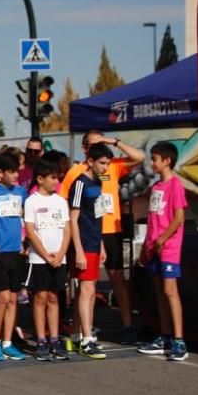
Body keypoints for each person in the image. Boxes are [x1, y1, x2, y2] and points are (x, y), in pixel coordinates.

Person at [59, 132, 145, 343]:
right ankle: (82, 330)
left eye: (101, 143)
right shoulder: (77, 173)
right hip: (87, 231)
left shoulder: (110, 165)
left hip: (110, 230)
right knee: (85, 283)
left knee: (117, 279)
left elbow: (140, 157)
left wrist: (113, 141)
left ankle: (127, 326)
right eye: (94, 144)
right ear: (85, 150)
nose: (100, 147)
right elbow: (66, 204)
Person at [137, 142, 189, 361]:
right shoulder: (155, 188)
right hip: (153, 246)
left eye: (155, 158)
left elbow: (179, 218)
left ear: (167, 161)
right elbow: (152, 219)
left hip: (168, 247)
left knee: (170, 291)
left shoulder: (175, 185)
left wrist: (162, 240)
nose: (152, 162)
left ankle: (179, 340)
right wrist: (146, 246)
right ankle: (164, 336)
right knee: (159, 291)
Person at [67, 142, 113, 359]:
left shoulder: (100, 182)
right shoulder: (79, 184)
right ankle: (87, 340)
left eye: (107, 163)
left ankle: (76, 336)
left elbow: (98, 214)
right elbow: (73, 219)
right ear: (91, 161)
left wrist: (101, 243)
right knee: (87, 291)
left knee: (88, 291)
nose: (105, 168)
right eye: (102, 163)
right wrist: (78, 250)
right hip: (83, 244)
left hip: (95, 243)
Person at [24, 159, 71, 361]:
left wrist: (60, 255)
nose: (56, 181)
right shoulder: (31, 201)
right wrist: (45, 254)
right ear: (40, 179)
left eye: (57, 177)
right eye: (52, 177)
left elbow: (67, 229)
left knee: (54, 297)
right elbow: (30, 230)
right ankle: (41, 340)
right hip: (38, 259)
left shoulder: (60, 201)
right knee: (40, 297)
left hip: (59, 258)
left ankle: (54, 338)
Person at [0, 152, 28, 361]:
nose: (15, 175)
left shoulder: (21, 192)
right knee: (1, 298)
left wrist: (26, 242)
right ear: (0, 173)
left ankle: (8, 342)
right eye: (11, 172)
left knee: (12, 298)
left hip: (16, 251)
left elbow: (26, 217)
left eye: (16, 171)